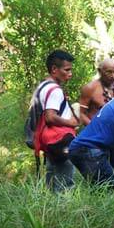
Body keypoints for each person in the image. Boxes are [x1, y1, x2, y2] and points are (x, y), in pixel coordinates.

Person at [33, 50, 79, 192]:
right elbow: (50, 116)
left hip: (50, 140)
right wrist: (71, 123)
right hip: (61, 140)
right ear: (54, 69)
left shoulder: (43, 86)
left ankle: (52, 209)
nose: (70, 73)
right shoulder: (55, 90)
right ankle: (65, 210)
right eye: (67, 70)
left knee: (52, 177)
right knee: (65, 183)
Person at [77, 58, 114, 178]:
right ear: (100, 71)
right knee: (99, 170)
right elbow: (81, 113)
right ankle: (99, 193)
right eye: (109, 72)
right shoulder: (90, 88)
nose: (113, 75)